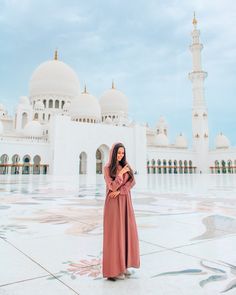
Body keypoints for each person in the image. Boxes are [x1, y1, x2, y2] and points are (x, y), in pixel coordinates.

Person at [102, 142, 140, 281]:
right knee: (115, 235)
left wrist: (121, 191)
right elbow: (111, 186)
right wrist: (121, 174)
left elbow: (132, 182)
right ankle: (113, 270)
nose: (120, 155)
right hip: (113, 205)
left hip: (125, 202)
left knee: (126, 232)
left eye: (122, 153)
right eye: (118, 153)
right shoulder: (107, 168)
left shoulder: (126, 166)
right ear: (113, 153)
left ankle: (124, 266)